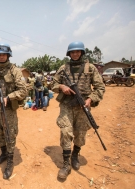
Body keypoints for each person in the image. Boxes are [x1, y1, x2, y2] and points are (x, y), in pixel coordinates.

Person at [51, 41, 105, 179]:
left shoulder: (90, 68)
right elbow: (53, 83)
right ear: (69, 54)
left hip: (83, 106)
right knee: (65, 131)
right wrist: (62, 87)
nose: (75, 54)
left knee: (80, 133)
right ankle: (66, 164)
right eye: (72, 52)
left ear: (81, 52)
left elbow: (100, 88)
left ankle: (75, 155)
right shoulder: (63, 68)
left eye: (77, 51)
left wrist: (90, 99)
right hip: (67, 105)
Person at [0, 43, 27, 179]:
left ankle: (10, 161)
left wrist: (9, 97)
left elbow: (23, 90)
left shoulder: (14, 70)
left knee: (9, 133)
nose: (1, 57)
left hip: (8, 109)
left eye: (4, 54)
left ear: (8, 55)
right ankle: (3, 152)